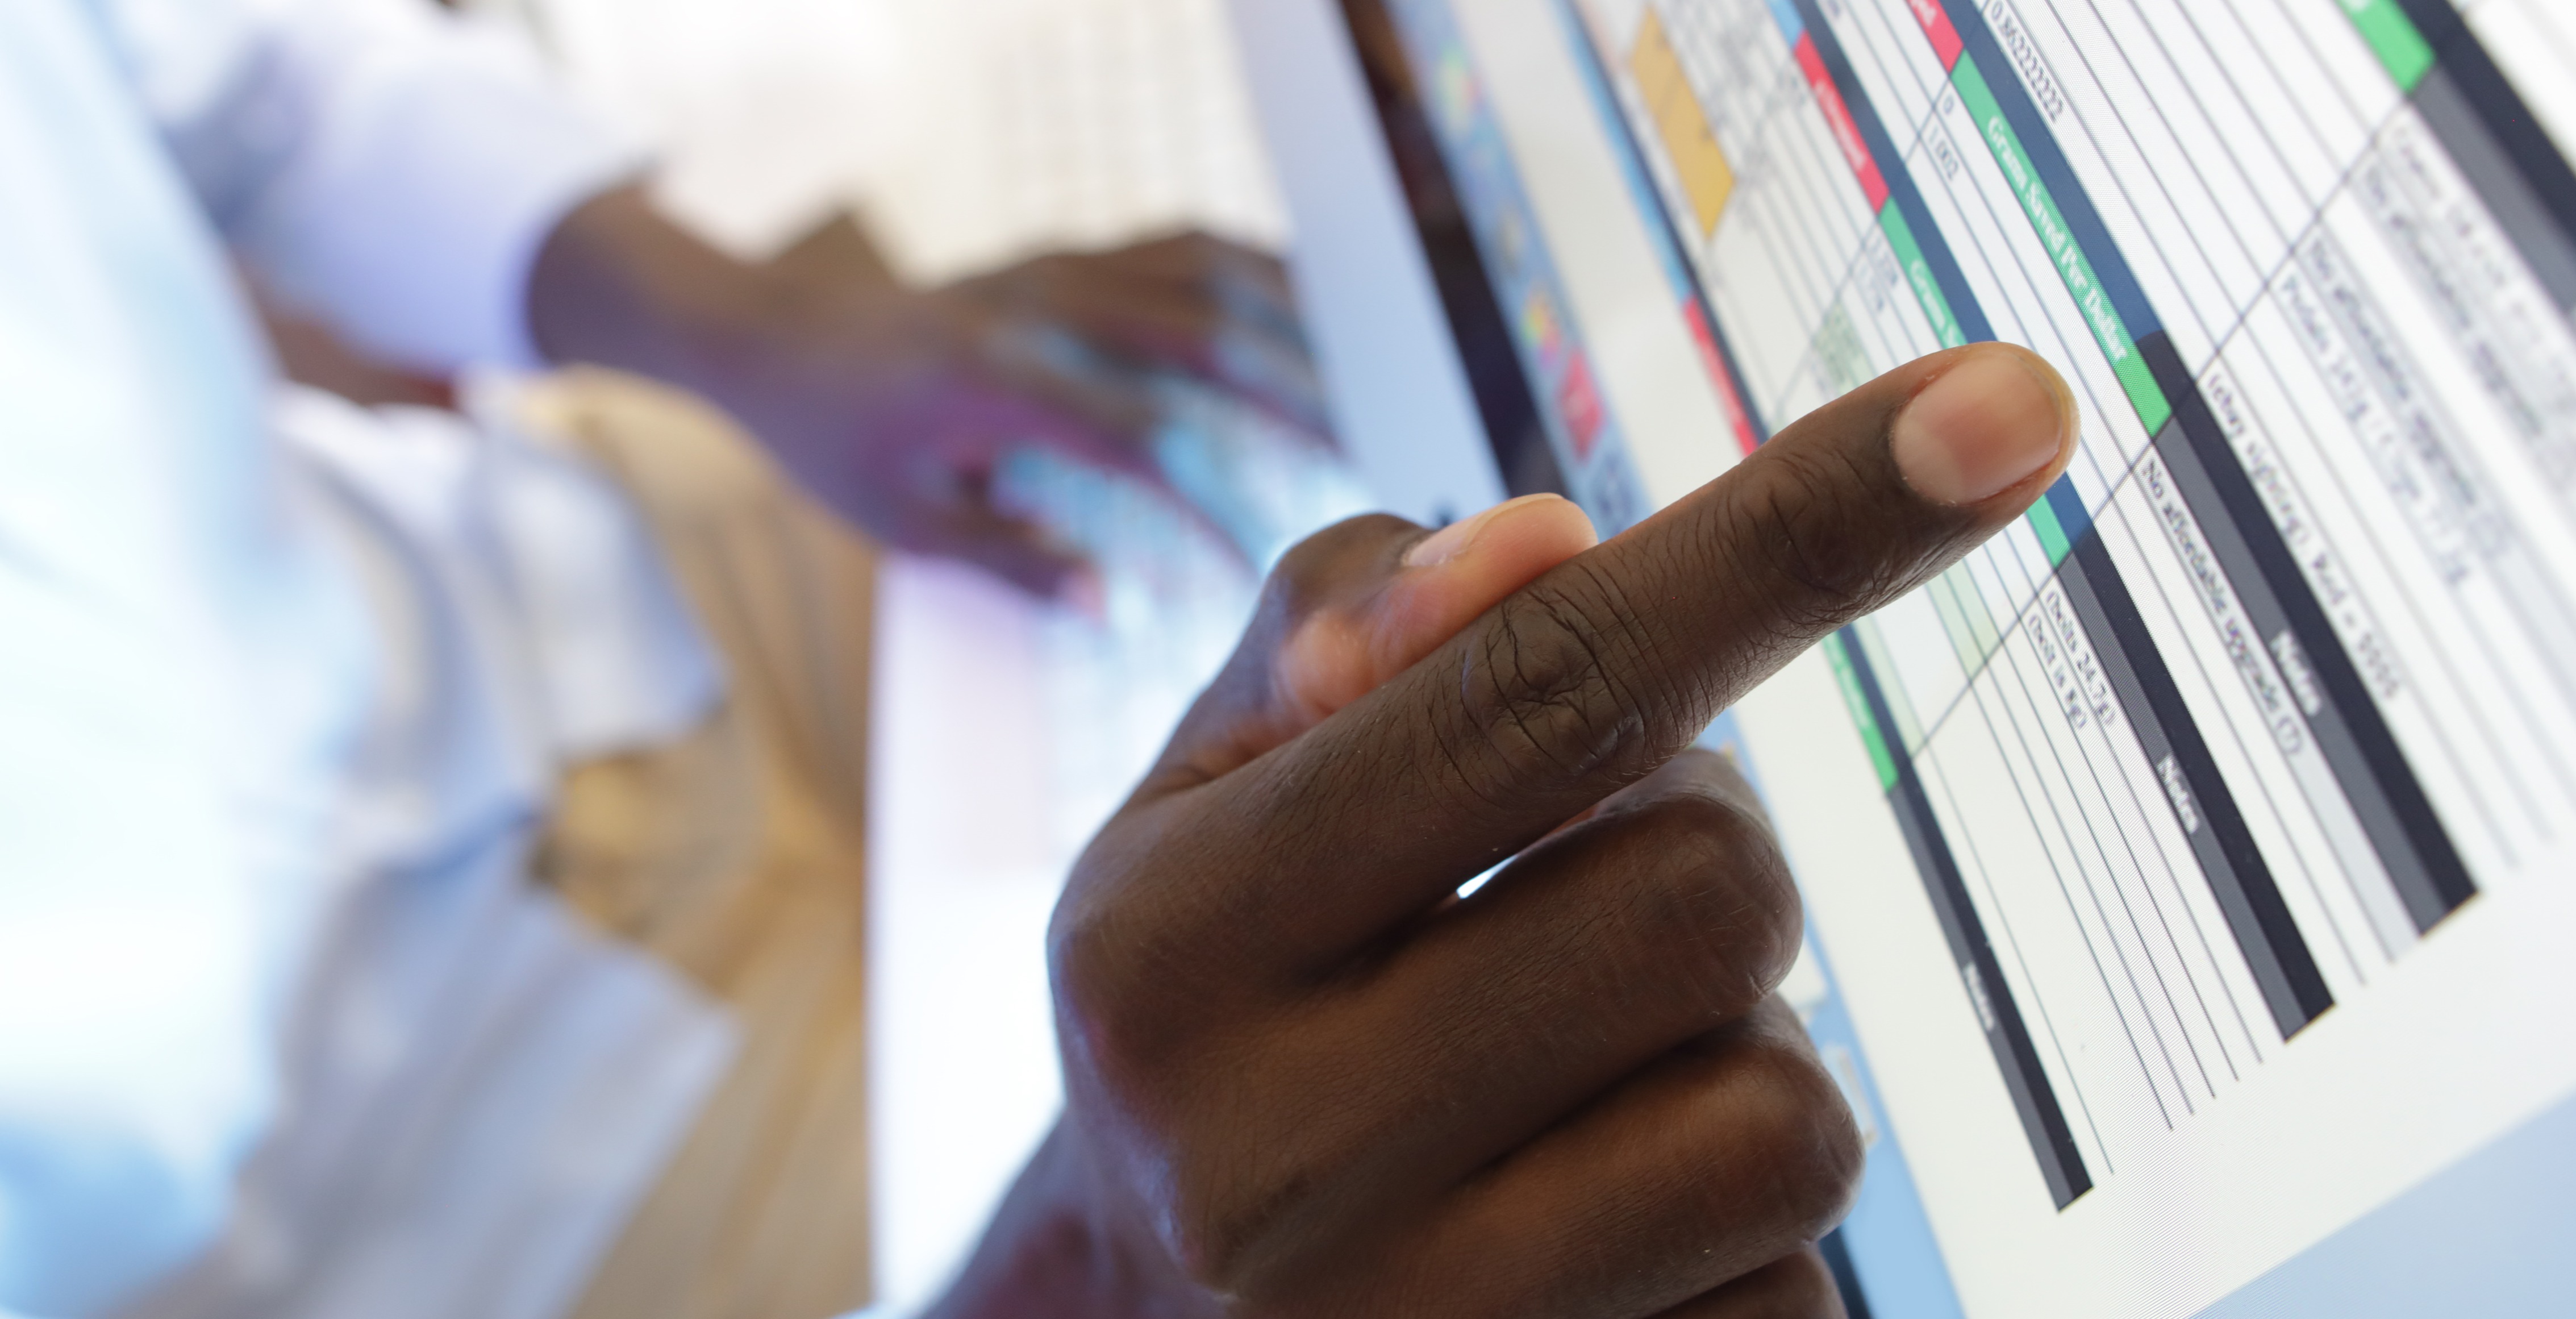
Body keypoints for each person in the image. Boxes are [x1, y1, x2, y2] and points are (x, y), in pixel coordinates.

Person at [0, 0, 2078, 1316]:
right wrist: (1073, 1268)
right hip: (634, 1235)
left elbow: (216, 73)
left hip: (637, 570)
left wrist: (752, 331)